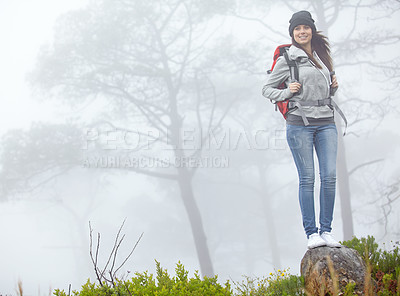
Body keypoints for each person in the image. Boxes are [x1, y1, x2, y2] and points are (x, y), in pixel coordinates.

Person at [262, 10, 342, 249]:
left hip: (327, 121)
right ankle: (312, 233)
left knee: (329, 177)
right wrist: (287, 92)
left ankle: (326, 230)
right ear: (293, 33)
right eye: (297, 29)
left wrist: (333, 88)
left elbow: (322, 88)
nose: (302, 32)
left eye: (305, 27)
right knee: (307, 179)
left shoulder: (322, 55)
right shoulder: (287, 59)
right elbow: (266, 89)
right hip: (300, 125)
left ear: (312, 30)